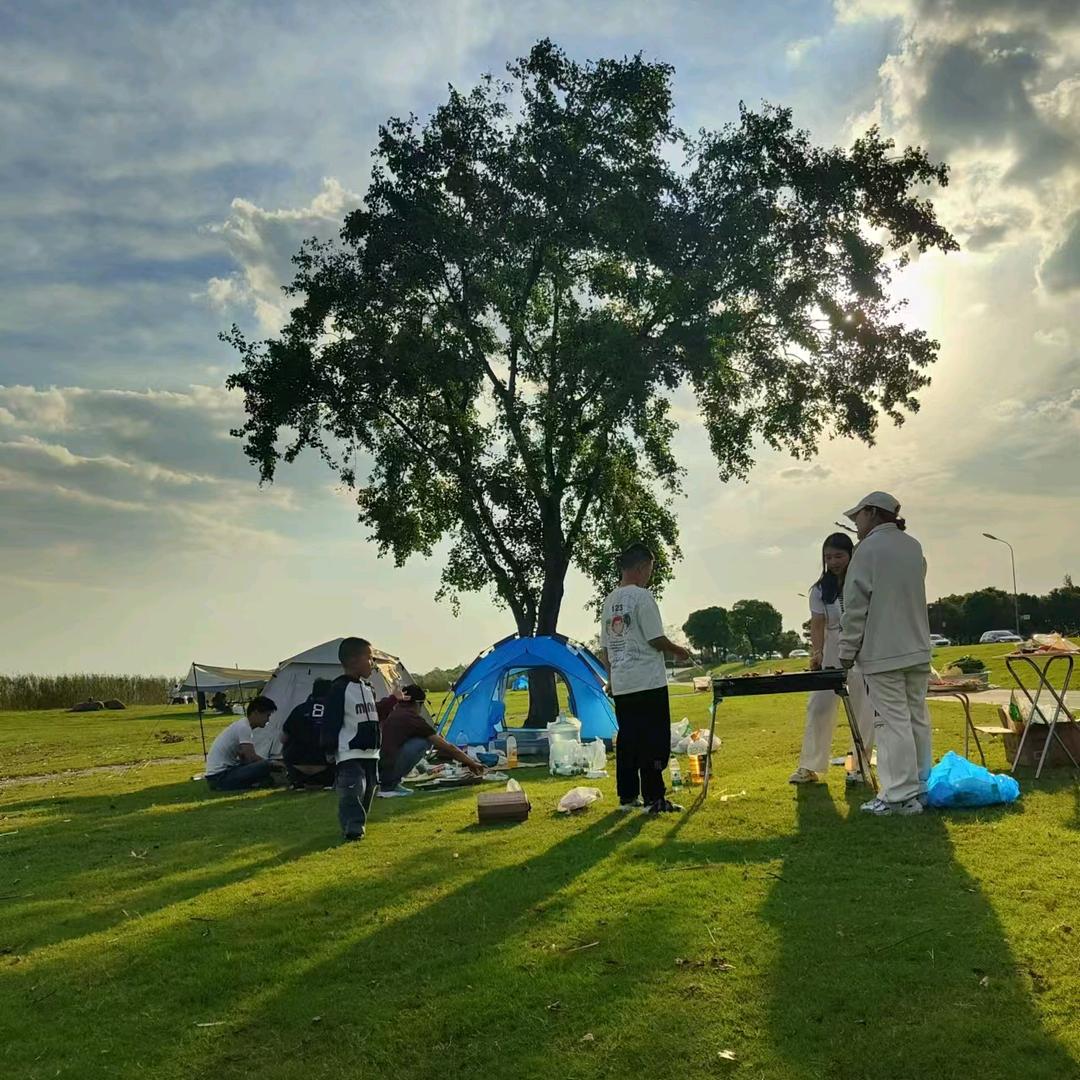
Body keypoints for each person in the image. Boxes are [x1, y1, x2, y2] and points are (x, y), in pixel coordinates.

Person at [838, 491, 933, 816]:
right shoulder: (913, 547)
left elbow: (855, 607)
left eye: (857, 518)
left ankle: (897, 795)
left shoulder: (868, 550)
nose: (856, 525)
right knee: (915, 717)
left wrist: (846, 651)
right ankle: (919, 786)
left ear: (872, 513)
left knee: (892, 722)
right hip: (917, 649)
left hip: (883, 652)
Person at [598, 542, 692, 815]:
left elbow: (605, 648)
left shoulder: (609, 601)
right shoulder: (642, 597)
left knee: (629, 740)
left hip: (623, 683)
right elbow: (655, 638)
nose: (650, 575)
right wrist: (679, 651)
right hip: (647, 681)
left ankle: (627, 796)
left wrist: (612, 678)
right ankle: (654, 798)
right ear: (641, 568)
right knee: (653, 741)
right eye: (650, 569)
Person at [789, 533, 876, 785]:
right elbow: (818, 623)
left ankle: (858, 767)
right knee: (819, 706)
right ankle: (809, 767)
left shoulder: (862, 581)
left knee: (863, 709)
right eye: (829, 557)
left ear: (851, 555)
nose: (834, 561)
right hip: (831, 649)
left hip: (862, 647)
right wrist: (816, 653)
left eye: (839, 556)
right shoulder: (818, 590)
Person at [321, 637, 397, 841]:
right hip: (349, 751)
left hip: (371, 751)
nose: (373, 664)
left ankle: (357, 822)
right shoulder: (339, 689)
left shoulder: (368, 688)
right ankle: (352, 827)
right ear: (354, 660)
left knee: (369, 789)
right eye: (370, 658)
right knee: (352, 788)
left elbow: (374, 714)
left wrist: (393, 701)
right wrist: (329, 747)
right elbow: (332, 720)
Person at [377, 685, 485, 797]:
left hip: (378, 765)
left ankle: (390, 782)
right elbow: (445, 745)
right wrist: (471, 763)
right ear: (418, 704)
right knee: (423, 741)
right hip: (386, 768)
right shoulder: (410, 717)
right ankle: (389, 785)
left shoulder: (394, 712)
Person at [204, 695, 279, 792]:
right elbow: (251, 757)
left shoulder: (241, 725)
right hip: (220, 777)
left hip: (218, 776)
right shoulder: (244, 728)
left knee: (263, 767)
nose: (268, 720)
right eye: (267, 715)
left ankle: (258, 782)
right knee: (265, 765)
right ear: (256, 713)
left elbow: (244, 757)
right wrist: (272, 763)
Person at [280, 678, 336, 789]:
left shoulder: (299, 710)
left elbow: (283, 738)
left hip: (297, 767)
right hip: (326, 768)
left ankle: (295, 780)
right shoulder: (334, 712)